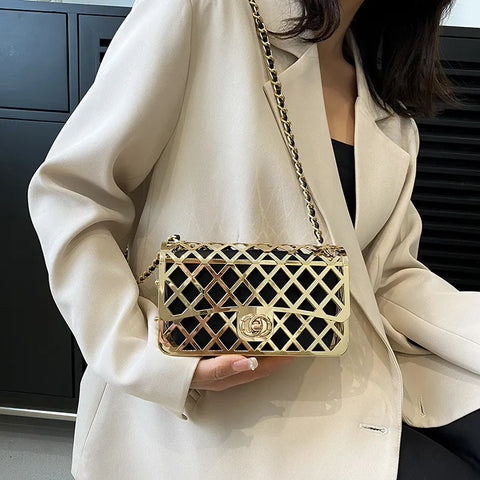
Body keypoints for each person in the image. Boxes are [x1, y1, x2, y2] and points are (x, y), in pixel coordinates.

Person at [27, 0, 480, 478]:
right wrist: (145, 354)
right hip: (214, 400)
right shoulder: (206, 12)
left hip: (350, 373)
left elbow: (385, 276)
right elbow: (74, 195)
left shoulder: (383, 95)